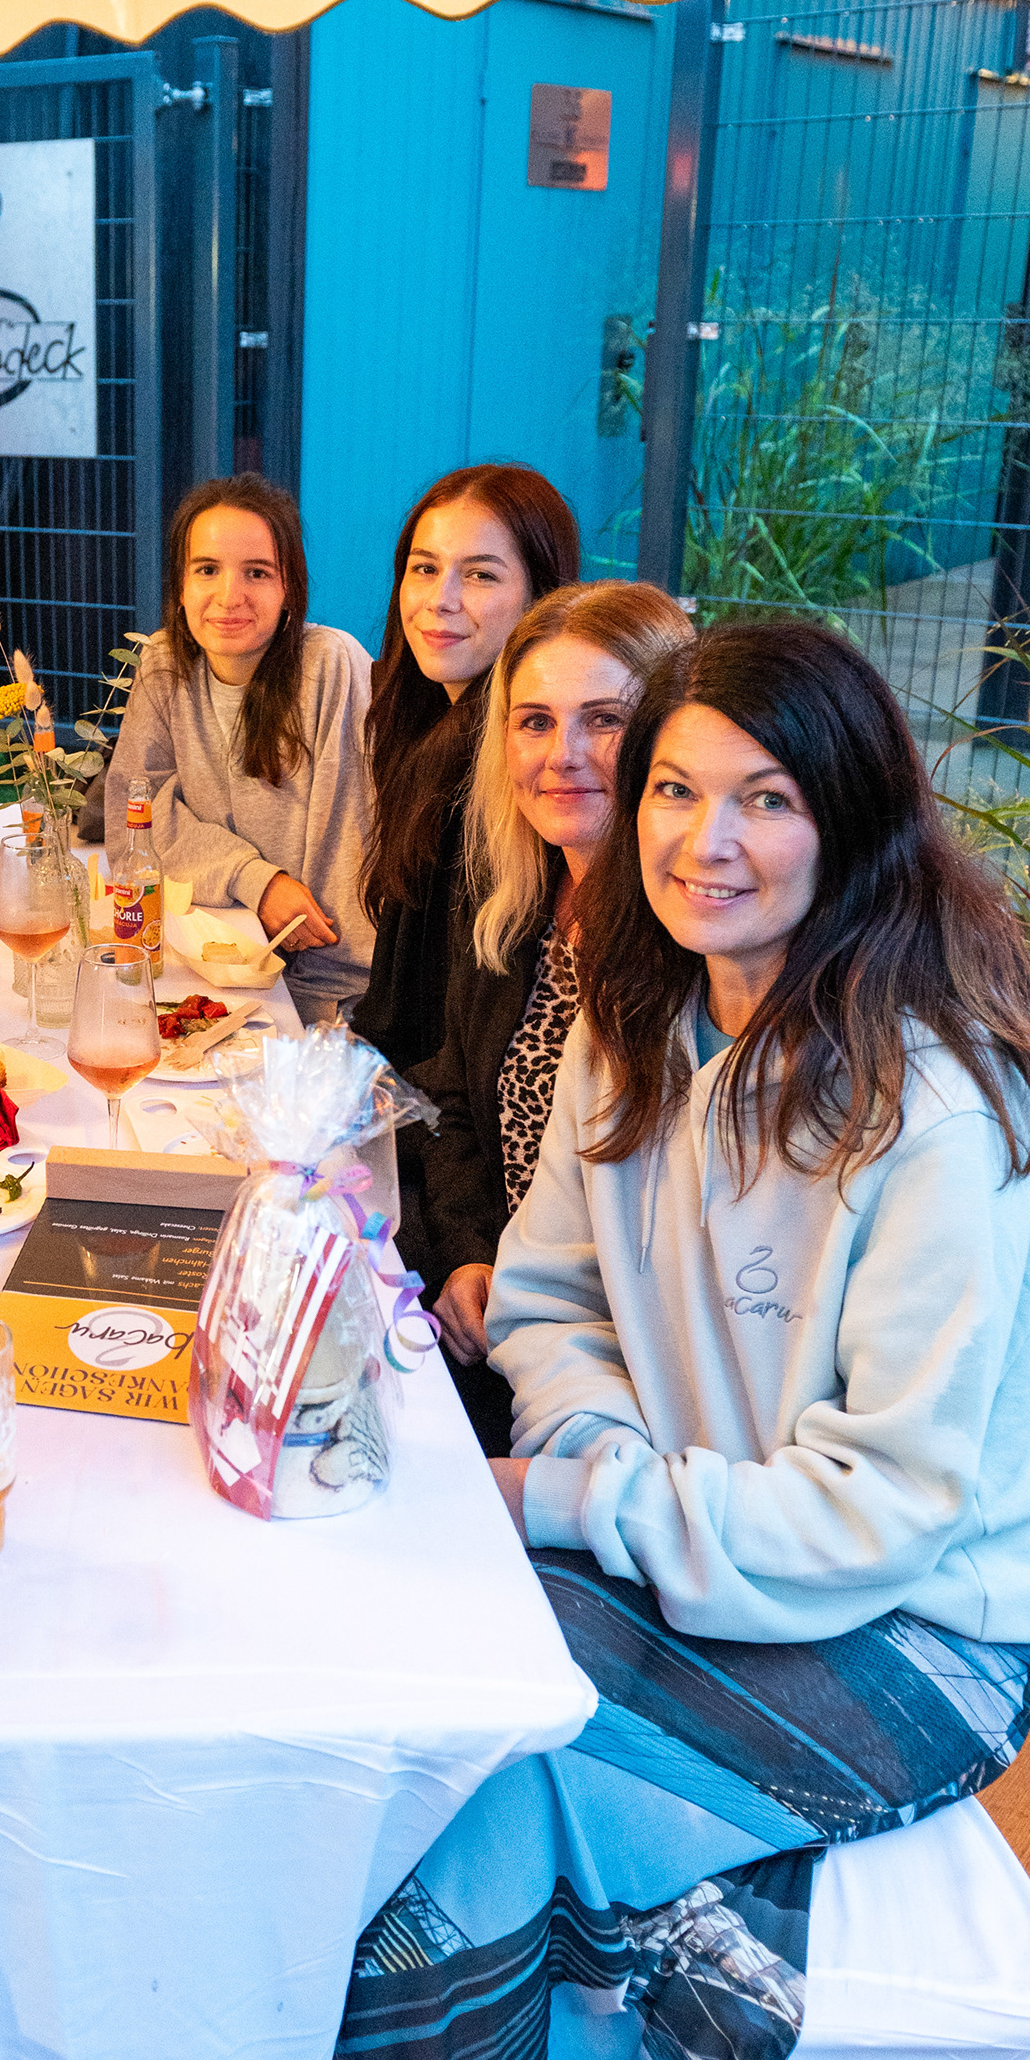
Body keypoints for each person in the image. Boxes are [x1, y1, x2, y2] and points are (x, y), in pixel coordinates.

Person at [233, 621, 1030, 2060]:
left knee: (487, 1773)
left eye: (765, 797)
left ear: (854, 819)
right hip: (688, 1547)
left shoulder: (937, 1110)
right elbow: (545, 1295)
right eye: (677, 788)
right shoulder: (640, 1019)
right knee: (413, 1700)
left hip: (911, 1630)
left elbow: (879, 1509)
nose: (703, 838)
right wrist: (597, 1454)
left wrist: (582, 1499)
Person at [417, 581, 693, 1448]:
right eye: (534, 721)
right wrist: (471, 1253)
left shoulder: (695, 948)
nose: (561, 755)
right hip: (500, 1319)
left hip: (622, 1392)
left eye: (604, 721)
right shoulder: (515, 904)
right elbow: (454, 1102)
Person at [105, 475, 374, 1018]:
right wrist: (258, 881)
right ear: (180, 586)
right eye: (207, 569)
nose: (229, 597)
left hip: (330, 991)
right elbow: (132, 822)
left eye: (257, 572)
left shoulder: (330, 665)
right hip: (213, 961)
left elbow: (350, 851)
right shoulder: (164, 663)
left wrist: (324, 1015)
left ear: (289, 589)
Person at [350, 466, 580, 1079]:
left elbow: (462, 1040)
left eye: (480, 575)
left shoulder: (525, 770)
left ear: (542, 599)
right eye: (424, 568)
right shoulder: (423, 728)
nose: (440, 599)